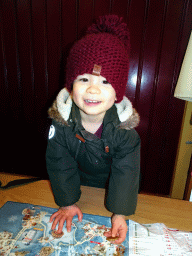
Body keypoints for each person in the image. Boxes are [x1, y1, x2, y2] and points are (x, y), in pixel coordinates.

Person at [46, 14, 140, 244]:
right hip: (77, 185)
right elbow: (59, 165)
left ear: (118, 90)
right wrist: (67, 203)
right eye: (84, 79)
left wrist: (120, 213)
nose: (93, 90)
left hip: (114, 187)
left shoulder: (125, 132)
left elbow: (126, 172)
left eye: (105, 81)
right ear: (70, 84)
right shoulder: (61, 125)